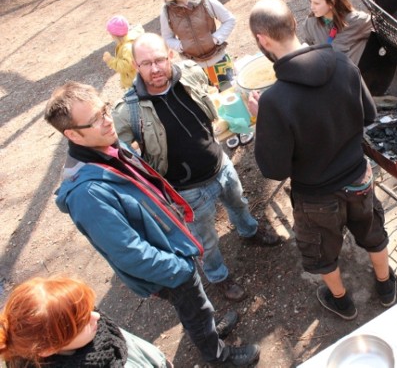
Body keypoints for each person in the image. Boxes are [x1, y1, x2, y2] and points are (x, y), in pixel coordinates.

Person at [44, 82, 260, 366]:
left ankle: (208, 329)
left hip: (172, 248)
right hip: (168, 265)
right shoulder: (87, 194)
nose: (108, 121)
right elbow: (130, 253)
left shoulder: (105, 144)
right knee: (193, 308)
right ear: (72, 134)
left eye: (104, 110)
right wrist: (180, 269)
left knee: (196, 306)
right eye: (95, 120)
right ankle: (218, 355)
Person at [247, 0, 395, 321]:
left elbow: (274, 168)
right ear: (295, 25)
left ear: (262, 39)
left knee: (322, 251)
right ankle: (385, 285)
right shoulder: (343, 64)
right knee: (372, 231)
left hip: (316, 197)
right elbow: (369, 114)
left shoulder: (273, 100)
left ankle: (341, 300)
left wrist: (263, 121)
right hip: (359, 177)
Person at [112, 32, 281, 303]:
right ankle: (218, 276)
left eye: (159, 59)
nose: (154, 68)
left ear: (170, 56)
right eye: (146, 63)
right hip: (187, 191)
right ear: (135, 66)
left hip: (220, 164)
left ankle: (249, 230)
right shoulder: (127, 110)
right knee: (206, 240)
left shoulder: (190, 74)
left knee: (239, 203)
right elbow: (118, 151)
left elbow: (210, 97)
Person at [0, 275, 170, 367]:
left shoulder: (96, 328)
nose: (96, 316)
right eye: (82, 322)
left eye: (89, 309)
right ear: (48, 349)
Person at [156, 0, 236, 90]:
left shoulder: (205, 1)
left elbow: (229, 20)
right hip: (194, 69)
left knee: (232, 97)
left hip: (219, 62)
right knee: (210, 103)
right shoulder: (166, 12)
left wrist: (215, 39)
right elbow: (167, 38)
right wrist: (181, 46)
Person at [300, 0, 373, 65]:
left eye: (316, 3)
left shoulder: (356, 20)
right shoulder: (310, 22)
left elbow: (380, 26)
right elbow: (309, 42)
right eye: (310, 1)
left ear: (332, 3)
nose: (312, 7)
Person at [102, 15, 144, 90]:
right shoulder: (125, 43)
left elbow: (127, 66)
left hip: (135, 83)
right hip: (135, 80)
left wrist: (110, 60)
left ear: (115, 35)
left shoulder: (127, 47)